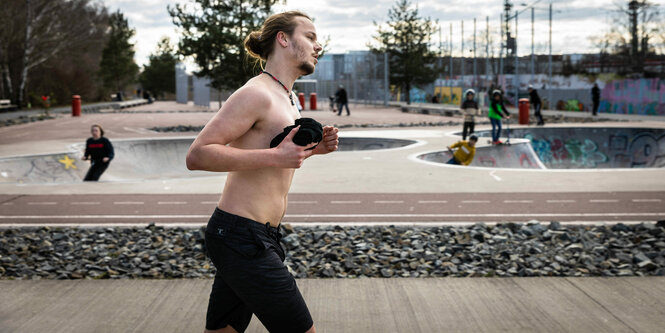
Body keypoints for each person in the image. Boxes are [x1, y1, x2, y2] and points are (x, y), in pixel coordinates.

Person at [186, 11, 337, 333]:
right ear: (283, 39)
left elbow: (274, 160)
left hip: (258, 234)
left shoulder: (285, 96)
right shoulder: (256, 93)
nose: (318, 45)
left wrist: (310, 151)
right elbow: (197, 155)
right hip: (241, 236)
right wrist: (275, 156)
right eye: (309, 36)